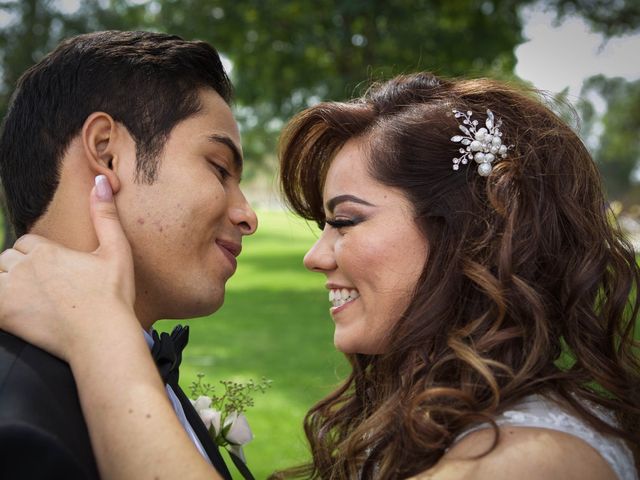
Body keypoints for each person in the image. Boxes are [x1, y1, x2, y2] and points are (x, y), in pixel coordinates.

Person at [0, 72, 638, 479]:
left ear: (468, 229)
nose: (315, 256)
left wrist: (99, 335)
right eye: (219, 168)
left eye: (347, 221)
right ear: (105, 154)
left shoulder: (533, 460)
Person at [0, 31, 257, 479]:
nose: (247, 215)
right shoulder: (18, 430)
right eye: (219, 168)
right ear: (107, 152)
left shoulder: (132, 361)